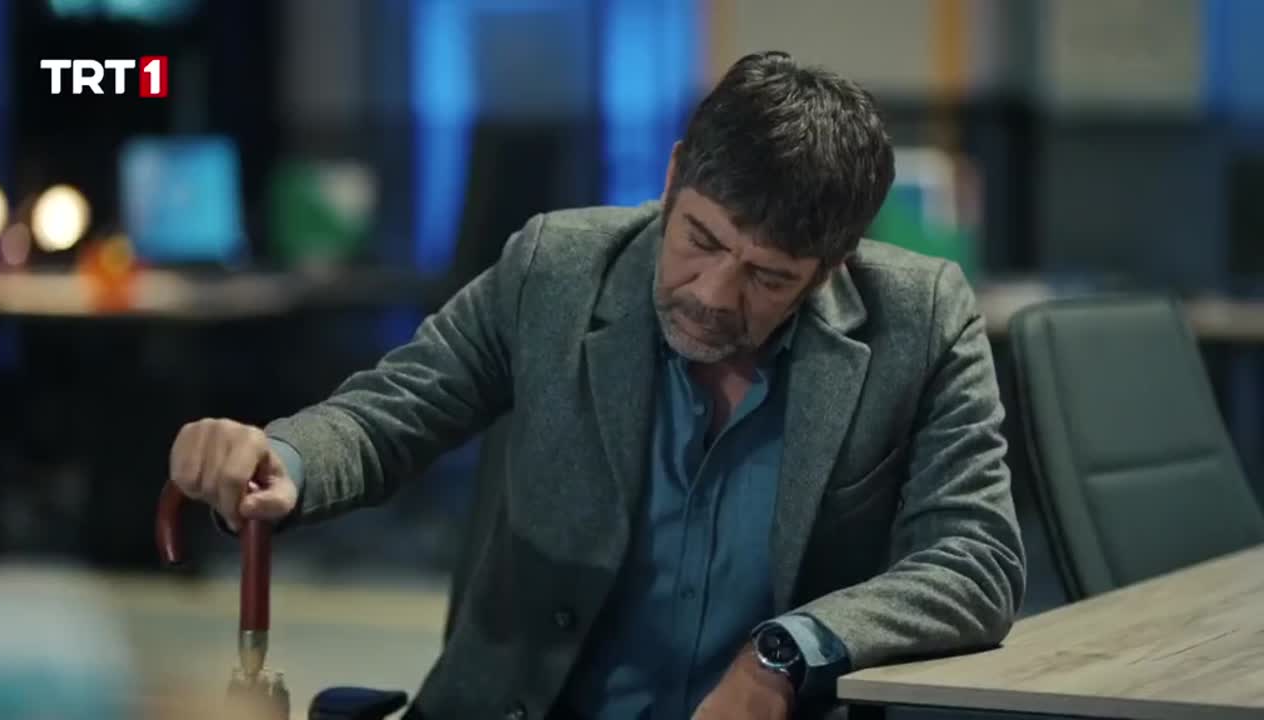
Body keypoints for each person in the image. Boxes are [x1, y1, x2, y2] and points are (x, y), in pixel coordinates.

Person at [168, 51, 1025, 720]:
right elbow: (385, 417)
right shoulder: (557, 269)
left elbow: (976, 559)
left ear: (832, 265)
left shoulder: (920, 320)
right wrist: (280, 458)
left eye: (768, 277)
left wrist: (788, 654)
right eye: (700, 240)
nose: (713, 295)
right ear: (674, 175)